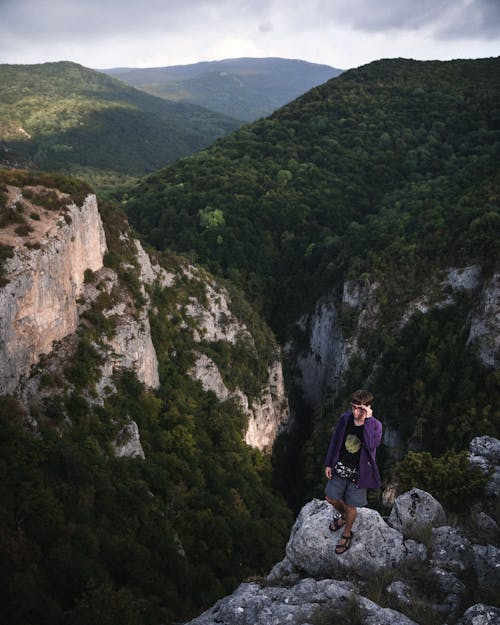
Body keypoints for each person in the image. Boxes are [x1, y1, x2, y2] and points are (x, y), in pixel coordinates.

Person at [324, 389, 382, 554]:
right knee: (330, 497)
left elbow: (371, 444)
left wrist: (368, 420)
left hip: (359, 474)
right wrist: (329, 464)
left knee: (351, 506)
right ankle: (344, 517)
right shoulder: (345, 419)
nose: (355, 412)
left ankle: (347, 533)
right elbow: (335, 441)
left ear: (368, 409)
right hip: (340, 467)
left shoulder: (375, 425)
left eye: (360, 409)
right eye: (354, 407)